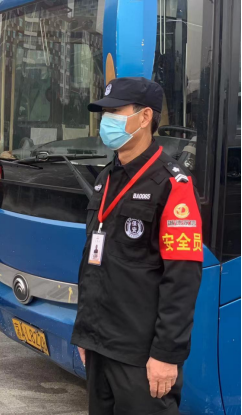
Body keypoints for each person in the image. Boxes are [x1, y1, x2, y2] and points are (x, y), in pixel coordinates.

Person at [71, 77, 203, 414]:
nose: (106, 120)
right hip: (99, 346)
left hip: (141, 356)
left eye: (115, 112)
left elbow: (182, 280)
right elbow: (94, 261)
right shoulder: (106, 178)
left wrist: (166, 355)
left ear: (145, 117)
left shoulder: (173, 185)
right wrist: (86, 333)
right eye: (104, 113)